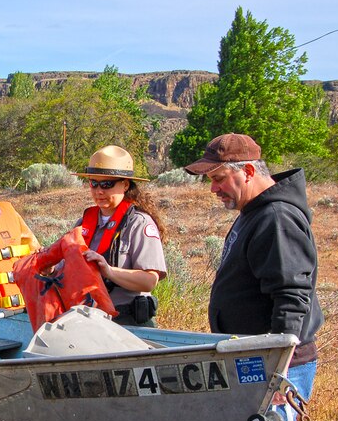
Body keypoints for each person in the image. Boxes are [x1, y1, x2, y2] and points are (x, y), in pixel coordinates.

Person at [185, 132, 323, 405]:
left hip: (278, 366)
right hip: (255, 359)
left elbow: (291, 295)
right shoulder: (254, 213)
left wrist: (277, 372)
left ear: (248, 170)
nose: (213, 189)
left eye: (218, 178)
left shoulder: (276, 217)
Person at [73, 145, 167, 327]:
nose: (99, 191)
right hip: (89, 322)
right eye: (94, 183)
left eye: (107, 184)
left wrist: (109, 271)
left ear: (125, 184)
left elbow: (149, 281)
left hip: (128, 324)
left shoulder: (139, 223)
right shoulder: (83, 223)